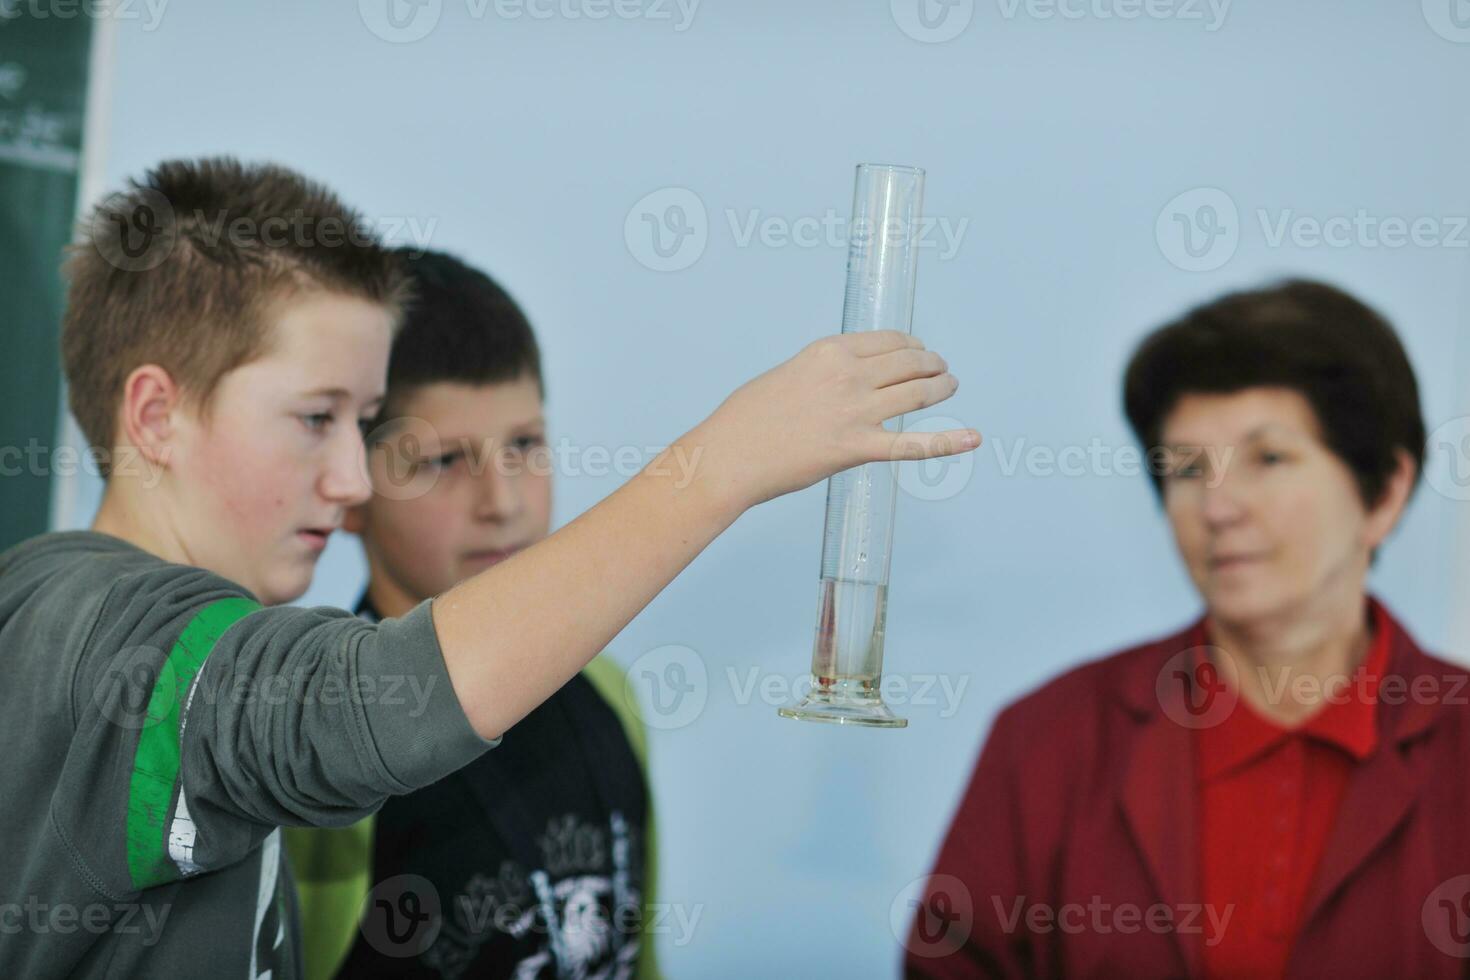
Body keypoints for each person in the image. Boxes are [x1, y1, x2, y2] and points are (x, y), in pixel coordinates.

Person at [0, 156, 978, 978]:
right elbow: (359, 706)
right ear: (156, 416)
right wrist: (722, 464)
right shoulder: (85, 627)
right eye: (316, 418)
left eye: (362, 421)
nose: (349, 479)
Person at [907, 280, 1470, 979]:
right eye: (1187, 469)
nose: (1218, 506)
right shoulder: (1053, 738)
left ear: (1383, 492)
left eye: (1268, 459)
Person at [286, 248, 664, 978]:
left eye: (524, 445)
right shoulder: (321, 742)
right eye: (445, 461)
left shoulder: (610, 693)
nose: (503, 503)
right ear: (352, 489)